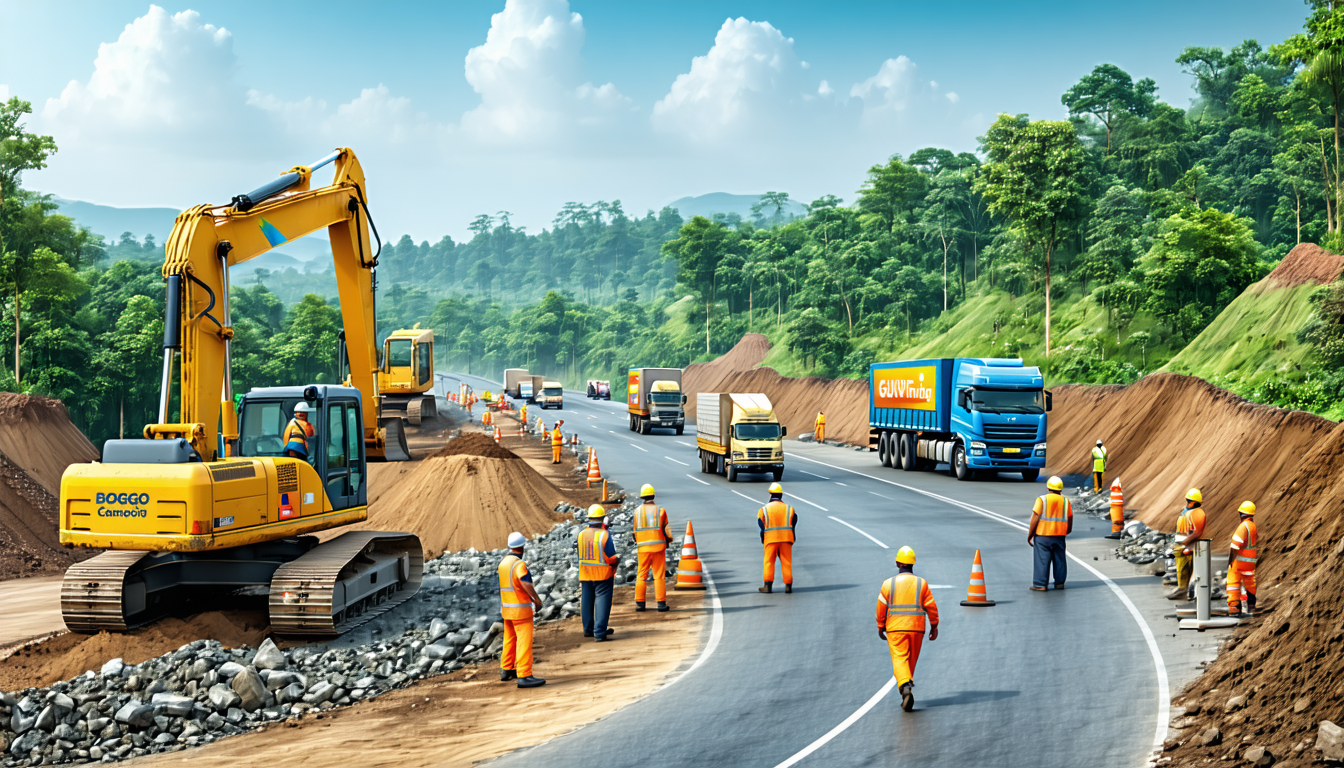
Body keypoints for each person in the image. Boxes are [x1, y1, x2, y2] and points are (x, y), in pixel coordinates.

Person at [876, 546, 939, 712]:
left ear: (898, 563)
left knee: (900, 659)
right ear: (913, 564)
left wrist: (880, 626)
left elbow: (881, 607)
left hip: (895, 629)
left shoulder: (887, 584)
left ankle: (905, 686)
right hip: (917, 629)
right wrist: (934, 625)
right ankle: (906, 689)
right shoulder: (921, 583)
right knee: (910, 661)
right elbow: (931, 607)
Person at [498, 531, 546, 688]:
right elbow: (525, 583)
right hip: (521, 611)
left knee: (510, 639)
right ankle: (524, 675)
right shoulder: (519, 564)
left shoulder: (503, 563)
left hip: (507, 610)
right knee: (524, 642)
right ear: (522, 546)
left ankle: (507, 668)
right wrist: (536, 600)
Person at [576, 504, 620, 640]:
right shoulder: (604, 535)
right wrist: (617, 560)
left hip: (586, 573)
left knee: (587, 600)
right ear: (602, 518)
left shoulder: (581, 534)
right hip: (603, 574)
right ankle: (600, 632)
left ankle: (588, 629)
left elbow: (580, 555)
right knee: (602, 600)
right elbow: (610, 557)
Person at [633, 484, 674, 612]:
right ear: (653, 496)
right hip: (658, 548)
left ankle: (640, 603)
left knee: (641, 574)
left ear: (642, 497)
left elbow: (635, 531)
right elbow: (667, 531)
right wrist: (668, 541)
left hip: (643, 549)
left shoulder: (637, 512)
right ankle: (661, 604)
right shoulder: (660, 511)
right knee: (659, 575)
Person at [1028, 476, 1073, 591]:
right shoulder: (1065, 501)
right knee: (1060, 559)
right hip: (1059, 536)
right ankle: (1059, 583)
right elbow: (1070, 518)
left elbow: (1036, 517)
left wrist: (1030, 535)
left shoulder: (1042, 500)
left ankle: (1040, 584)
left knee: (1042, 560)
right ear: (1060, 489)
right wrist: (1066, 531)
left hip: (1043, 536)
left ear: (1048, 487)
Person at [756, 482, 797, 594]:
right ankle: (788, 586)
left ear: (770, 494)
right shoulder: (789, 508)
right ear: (781, 495)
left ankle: (767, 586)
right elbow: (793, 522)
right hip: (786, 539)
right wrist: (793, 536)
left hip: (771, 539)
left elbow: (761, 525)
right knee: (786, 562)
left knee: (769, 561)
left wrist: (762, 538)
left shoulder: (764, 510)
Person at [1167, 489, 1206, 601]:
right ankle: (1182, 588)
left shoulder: (1198, 513)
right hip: (1180, 544)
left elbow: (1198, 532)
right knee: (1181, 569)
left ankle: (1184, 590)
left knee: (1187, 569)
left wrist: (1186, 542)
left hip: (1187, 545)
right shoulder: (1186, 511)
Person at [1227, 501, 1258, 617]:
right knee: (1250, 582)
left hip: (1240, 561)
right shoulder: (1252, 526)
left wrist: (1230, 561)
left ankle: (1234, 607)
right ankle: (1251, 605)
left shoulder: (1243, 527)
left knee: (1233, 581)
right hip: (1250, 562)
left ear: (1241, 513)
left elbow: (1235, 546)